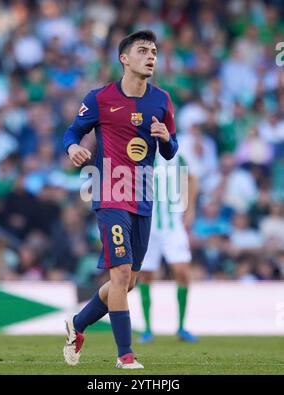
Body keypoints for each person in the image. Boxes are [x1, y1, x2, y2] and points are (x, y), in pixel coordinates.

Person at [62, 30, 178, 369]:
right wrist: (72, 146)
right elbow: (73, 130)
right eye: (142, 50)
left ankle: (78, 323)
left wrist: (166, 138)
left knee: (127, 281)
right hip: (110, 194)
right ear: (124, 59)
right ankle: (125, 354)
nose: (151, 56)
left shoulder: (162, 100)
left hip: (143, 196)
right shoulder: (100, 98)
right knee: (121, 272)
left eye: (154, 51)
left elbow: (171, 152)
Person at [138, 135, 199, 343]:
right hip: (147, 224)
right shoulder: (138, 151)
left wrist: (190, 210)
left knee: (182, 271)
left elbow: (191, 178)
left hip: (173, 224)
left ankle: (181, 327)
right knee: (145, 275)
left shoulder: (176, 154)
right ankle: (147, 329)